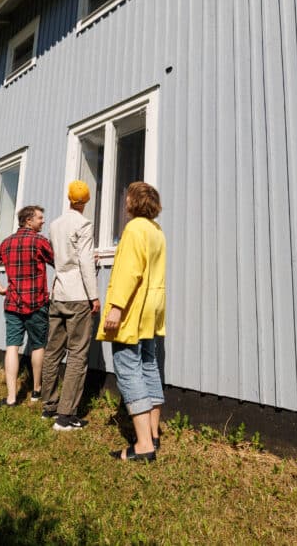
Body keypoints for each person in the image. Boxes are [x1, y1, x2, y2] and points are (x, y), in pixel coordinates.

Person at [98, 181, 166, 462]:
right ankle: (153, 434)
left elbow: (129, 271)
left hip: (133, 308)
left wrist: (116, 308)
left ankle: (143, 446)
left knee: (127, 368)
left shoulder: (135, 228)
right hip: (152, 309)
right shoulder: (156, 231)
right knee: (149, 364)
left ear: (133, 202)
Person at [40, 181, 100, 431]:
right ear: (85, 201)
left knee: (53, 349)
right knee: (77, 353)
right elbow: (85, 261)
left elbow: (60, 257)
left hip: (59, 291)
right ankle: (66, 416)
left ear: (68, 198)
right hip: (77, 294)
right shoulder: (83, 224)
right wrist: (94, 296)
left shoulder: (54, 224)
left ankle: (49, 405)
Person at [0, 205, 54, 406]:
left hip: (12, 303)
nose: (43, 221)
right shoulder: (40, 241)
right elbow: (60, 262)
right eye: (40, 218)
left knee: (12, 346)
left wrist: (0, 289)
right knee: (38, 345)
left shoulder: (7, 243)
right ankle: (37, 389)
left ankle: (12, 397)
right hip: (37, 303)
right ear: (28, 220)